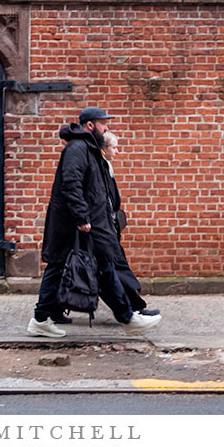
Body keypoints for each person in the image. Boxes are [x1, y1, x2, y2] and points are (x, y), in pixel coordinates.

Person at [27, 106, 162, 338]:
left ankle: (127, 317)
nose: (106, 127)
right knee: (61, 268)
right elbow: (72, 184)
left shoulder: (87, 148)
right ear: (90, 125)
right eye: (103, 123)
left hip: (91, 225)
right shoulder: (78, 148)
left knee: (101, 268)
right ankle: (126, 318)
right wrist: (82, 218)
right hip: (77, 227)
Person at [100, 130, 159, 319]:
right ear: (104, 148)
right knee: (114, 268)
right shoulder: (101, 167)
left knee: (113, 268)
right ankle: (132, 309)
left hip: (108, 227)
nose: (117, 151)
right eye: (114, 147)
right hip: (103, 228)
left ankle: (134, 307)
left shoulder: (106, 166)